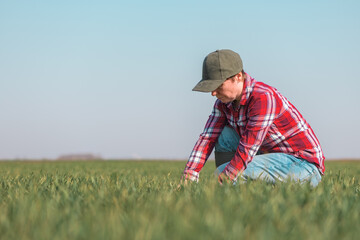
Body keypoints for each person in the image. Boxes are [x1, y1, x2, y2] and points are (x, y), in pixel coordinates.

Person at [181, 49, 325, 187]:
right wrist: (190, 174)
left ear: (237, 76)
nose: (213, 93)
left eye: (218, 85)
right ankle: (233, 189)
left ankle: (228, 187)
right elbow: (207, 137)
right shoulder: (222, 103)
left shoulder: (263, 97)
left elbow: (248, 148)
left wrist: (223, 178)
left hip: (303, 164)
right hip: (271, 156)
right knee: (223, 136)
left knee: (222, 173)